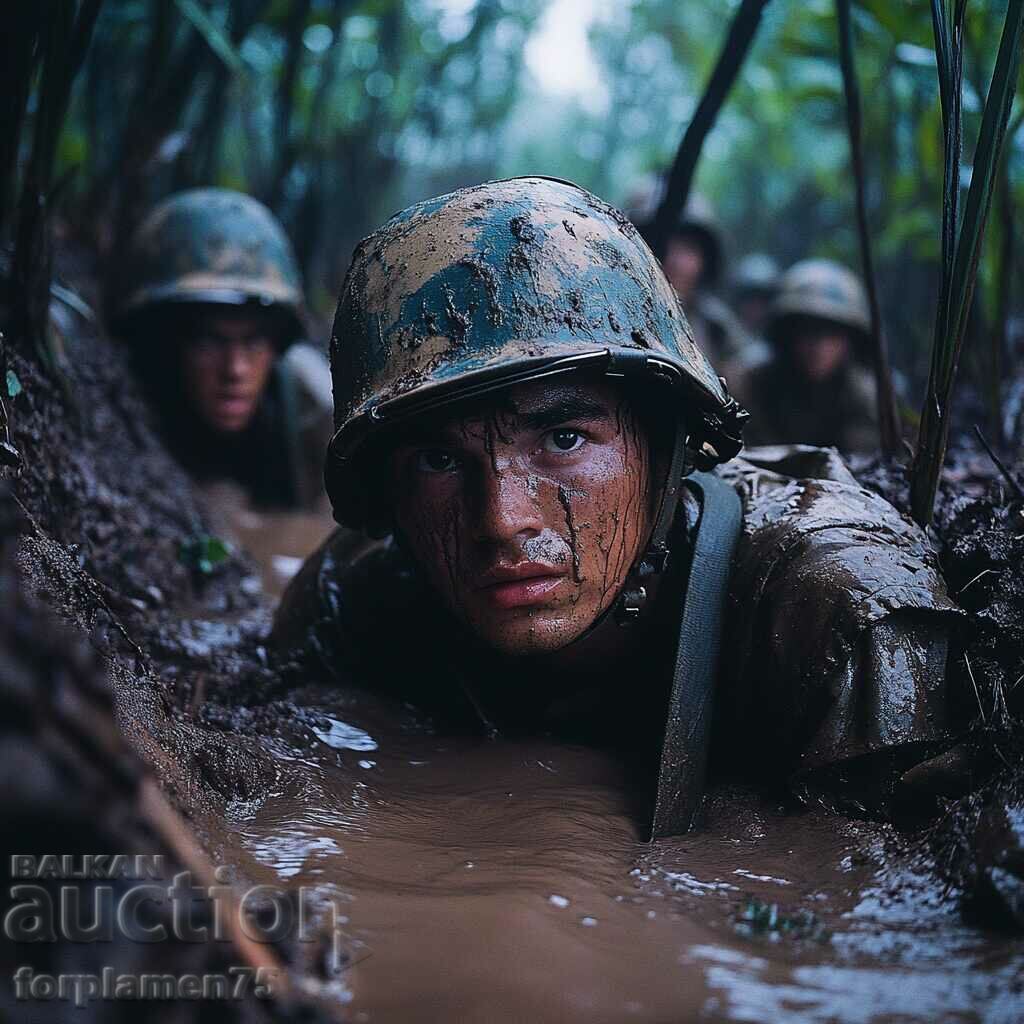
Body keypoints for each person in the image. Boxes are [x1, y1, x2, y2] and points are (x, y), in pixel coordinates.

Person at [272, 177, 957, 836]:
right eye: (439, 461)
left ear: (665, 445)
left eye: (563, 439)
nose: (503, 520)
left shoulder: (834, 612)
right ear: (388, 493)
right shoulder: (353, 599)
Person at [111, 188, 333, 511]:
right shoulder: (129, 395)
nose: (235, 370)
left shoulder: (317, 410)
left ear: (277, 345)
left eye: (254, 342)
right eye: (208, 341)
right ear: (164, 344)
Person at [731, 258, 879, 452]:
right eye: (808, 331)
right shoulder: (749, 384)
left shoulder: (865, 400)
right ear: (787, 335)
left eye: (832, 334)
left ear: (850, 342)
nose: (819, 347)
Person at [627, 180, 753, 368]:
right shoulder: (604, 305)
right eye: (662, 243)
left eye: (689, 248)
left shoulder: (716, 328)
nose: (675, 262)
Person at [730, 252, 780, 337]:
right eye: (749, 298)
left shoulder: (775, 341)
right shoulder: (722, 333)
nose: (755, 308)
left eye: (762, 300)